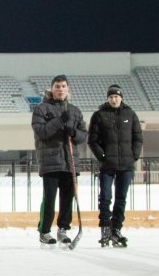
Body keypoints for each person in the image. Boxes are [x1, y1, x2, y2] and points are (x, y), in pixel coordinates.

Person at [31, 74, 87, 246]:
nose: (60, 89)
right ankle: (44, 230)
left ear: (68, 89)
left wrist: (73, 132)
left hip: (69, 161)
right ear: (52, 89)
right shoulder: (42, 109)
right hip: (50, 162)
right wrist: (59, 120)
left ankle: (63, 228)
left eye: (63, 86)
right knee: (49, 198)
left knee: (67, 198)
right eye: (57, 86)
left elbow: (83, 135)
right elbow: (42, 132)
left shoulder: (75, 111)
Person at [87, 84, 142, 247]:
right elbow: (92, 140)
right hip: (107, 165)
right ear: (107, 98)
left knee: (121, 199)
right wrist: (102, 157)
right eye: (110, 97)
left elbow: (138, 137)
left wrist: (134, 155)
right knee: (105, 198)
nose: (113, 99)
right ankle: (105, 229)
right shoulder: (99, 115)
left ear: (121, 97)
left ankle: (116, 230)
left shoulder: (130, 114)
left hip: (126, 165)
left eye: (116, 96)